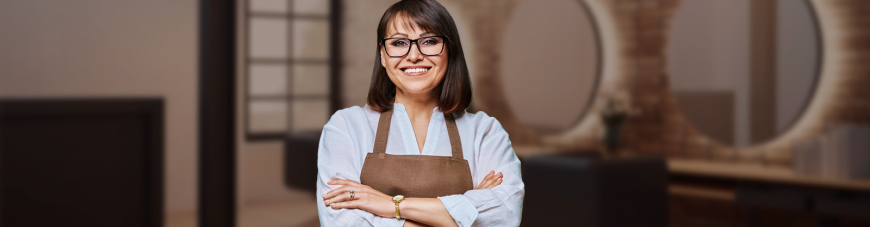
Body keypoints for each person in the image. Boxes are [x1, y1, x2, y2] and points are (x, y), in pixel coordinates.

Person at [316, 0, 524, 226]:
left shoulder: (485, 131)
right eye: (398, 43)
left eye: (429, 41)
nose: (413, 55)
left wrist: (390, 205)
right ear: (383, 55)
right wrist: (461, 213)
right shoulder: (346, 126)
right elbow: (342, 220)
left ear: (449, 50)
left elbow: (505, 215)